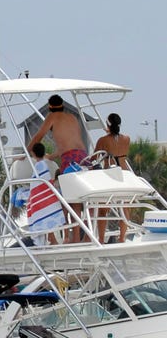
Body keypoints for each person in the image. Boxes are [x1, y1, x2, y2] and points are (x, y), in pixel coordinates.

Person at [27, 95, 88, 242]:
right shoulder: (72, 118)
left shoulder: (52, 116)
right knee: (79, 199)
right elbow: (71, 143)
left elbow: (38, 137)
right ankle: (81, 238)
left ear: (50, 106)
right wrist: (53, 156)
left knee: (69, 199)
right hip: (83, 156)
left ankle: (70, 238)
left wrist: (28, 151)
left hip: (69, 159)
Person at [94, 113, 131, 243]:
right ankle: (122, 238)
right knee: (124, 208)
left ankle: (101, 239)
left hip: (109, 174)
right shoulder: (126, 138)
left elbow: (94, 158)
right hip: (124, 174)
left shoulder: (103, 140)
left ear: (107, 125)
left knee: (103, 210)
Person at [27, 143, 66, 245]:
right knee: (48, 214)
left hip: (44, 194)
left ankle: (52, 239)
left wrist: (32, 195)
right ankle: (52, 238)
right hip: (48, 192)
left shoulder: (39, 165)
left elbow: (36, 183)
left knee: (44, 212)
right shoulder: (46, 164)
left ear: (33, 154)